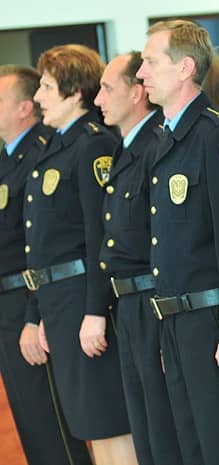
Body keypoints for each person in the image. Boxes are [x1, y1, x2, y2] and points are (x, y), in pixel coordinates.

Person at [136, 20, 219, 465]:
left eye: (150, 62)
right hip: (175, 319)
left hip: (211, 319)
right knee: (192, 447)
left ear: (185, 67)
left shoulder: (218, 134)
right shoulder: (163, 137)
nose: (141, 74)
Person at [26, 44, 138, 464]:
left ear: (74, 93)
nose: (38, 97)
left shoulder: (92, 145)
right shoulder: (56, 145)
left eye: (47, 87)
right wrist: (39, 312)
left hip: (81, 297)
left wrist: (95, 310)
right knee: (88, 420)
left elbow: (98, 236)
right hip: (60, 300)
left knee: (108, 417)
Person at [94, 51, 185, 465]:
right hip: (129, 301)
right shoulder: (126, 147)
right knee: (145, 425)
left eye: (107, 88)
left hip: (153, 298)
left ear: (136, 94)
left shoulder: (154, 145)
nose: (98, 99)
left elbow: (165, 237)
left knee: (164, 427)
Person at [0, 64, 92, 465]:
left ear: (24, 108)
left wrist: (33, 314)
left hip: (32, 296)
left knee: (50, 420)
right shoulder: (6, 158)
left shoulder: (43, 151)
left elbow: (42, 241)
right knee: (29, 419)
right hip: (9, 303)